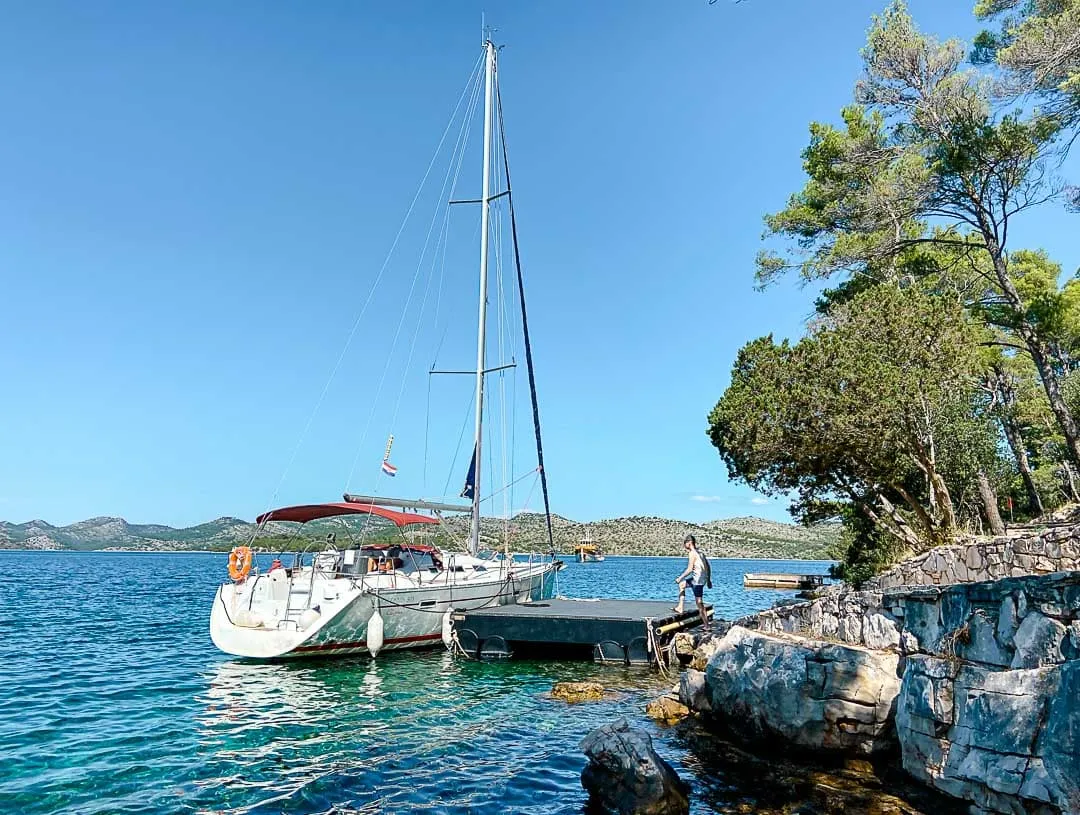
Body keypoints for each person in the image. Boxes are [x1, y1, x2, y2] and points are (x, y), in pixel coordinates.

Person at [673, 534, 710, 630]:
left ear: (689, 543)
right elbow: (708, 567)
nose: (684, 546)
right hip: (699, 579)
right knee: (682, 585)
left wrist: (680, 577)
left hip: (697, 581)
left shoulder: (692, 553)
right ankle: (680, 607)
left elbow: (689, 569)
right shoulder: (700, 553)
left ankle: (707, 626)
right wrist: (708, 579)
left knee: (699, 603)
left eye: (685, 544)